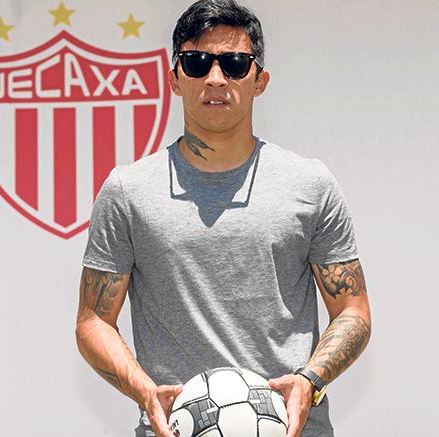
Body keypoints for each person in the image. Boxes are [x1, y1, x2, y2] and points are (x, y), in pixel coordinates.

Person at [75, 1, 372, 436]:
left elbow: (352, 310)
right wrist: (144, 390)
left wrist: (310, 380)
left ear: (260, 80)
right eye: (196, 63)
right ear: (175, 78)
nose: (215, 78)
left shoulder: (309, 184)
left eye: (234, 63)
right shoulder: (128, 191)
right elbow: (93, 320)